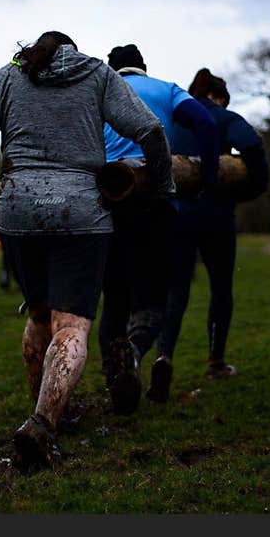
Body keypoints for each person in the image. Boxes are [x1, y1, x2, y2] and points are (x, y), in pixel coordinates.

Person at [0, 31, 172, 469]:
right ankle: (42, 421)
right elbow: (150, 131)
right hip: (81, 213)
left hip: (19, 213)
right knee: (72, 325)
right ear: (72, 52)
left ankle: (48, 410)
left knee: (39, 315)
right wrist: (162, 188)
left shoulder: (5, 79)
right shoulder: (96, 74)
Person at [99, 44, 219, 413]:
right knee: (152, 301)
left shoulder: (99, 90)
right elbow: (207, 124)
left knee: (114, 299)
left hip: (106, 202)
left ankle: (117, 380)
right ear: (144, 68)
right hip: (154, 201)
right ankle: (133, 354)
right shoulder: (166, 89)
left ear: (111, 69)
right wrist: (208, 182)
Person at [157, 68, 268, 387]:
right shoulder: (222, 116)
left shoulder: (173, 119)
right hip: (217, 215)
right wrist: (251, 188)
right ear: (219, 97)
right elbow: (251, 144)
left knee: (175, 290)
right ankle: (216, 362)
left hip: (177, 216)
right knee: (221, 289)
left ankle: (164, 356)